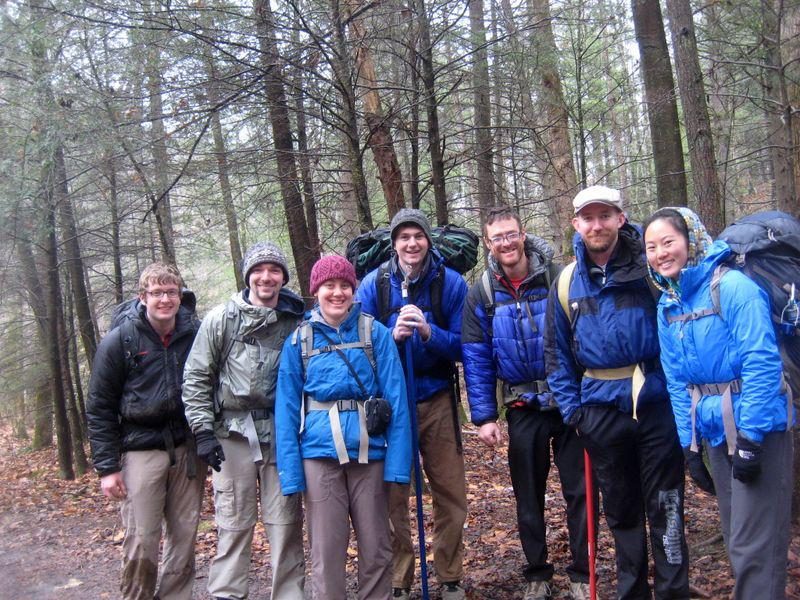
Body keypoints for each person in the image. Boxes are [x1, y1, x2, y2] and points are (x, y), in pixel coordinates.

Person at [544, 185, 690, 600]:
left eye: (604, 215)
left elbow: (678, 330)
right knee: (622, 512)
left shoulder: (651, 268)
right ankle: (632, 593)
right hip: (600, 414)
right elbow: (555, 354)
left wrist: (676, 395)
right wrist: (576, 415)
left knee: (667, 506)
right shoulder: (568, 281)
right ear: (576, 224)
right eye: (588, 218)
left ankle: (672, 592)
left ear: (620, 219)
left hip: (656, 406)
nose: (597, 225)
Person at [644, 207, 794, 600]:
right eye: (652, 246)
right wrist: (688, 444)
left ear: (690, 240)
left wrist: (753, 436)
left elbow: (762, 361)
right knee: (737, 540)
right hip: (714, 431)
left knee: (753, 547)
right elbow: (677, 380)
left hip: (757, 428)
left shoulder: (733, 287)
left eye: (668, 242)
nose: (660, 253)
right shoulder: (668, 304)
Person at [462, 206, 593, 600]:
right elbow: (476, 355)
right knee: (528, 495)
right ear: (488, 243)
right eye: (497, 237)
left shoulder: (559, 278)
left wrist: (590, 393)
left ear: (523, 235)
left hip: (569, 401)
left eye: (511, 234)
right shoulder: (482, 292)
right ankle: (537, 573)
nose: (506, 243)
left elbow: (584, 334)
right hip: (522, 406)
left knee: (581, 490)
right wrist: (484, 416)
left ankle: (582, 573)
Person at [275, 255, 412, 599]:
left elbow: (397, 401)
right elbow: (287, 411)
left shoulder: (375, 334)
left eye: (344, 286)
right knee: (325, 552)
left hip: (371, 455)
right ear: (315, 291)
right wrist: (291, 474)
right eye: (328, 286)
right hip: (319, 458)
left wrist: (398, 467)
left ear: (353, 289)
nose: (337, 293)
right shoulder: (299, 341)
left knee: (377, 546)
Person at [355, 208, 469, 600]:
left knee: (450, 492)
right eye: (403, 237)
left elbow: (465, 345)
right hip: (391, 405)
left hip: (437, 398)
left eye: (417, 236)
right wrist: (391, 336)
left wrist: (427, 332)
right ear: (394, 244)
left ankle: (450, 575)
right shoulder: (375, 285)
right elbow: (359, 346)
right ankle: (399, 579)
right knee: (393, 495)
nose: (411, 243)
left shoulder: (450, 284)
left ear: (427, 239)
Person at [182, 241, 305, 600]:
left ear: (283, 277)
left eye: (274, 270)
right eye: (258, 270)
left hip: (282, 432)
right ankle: (227, 593)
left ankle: (289, 593)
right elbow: (197, 376)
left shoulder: (294, 320)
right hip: (231, 434)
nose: (266, 277)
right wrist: (202, 431)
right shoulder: (222, 318)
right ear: (248, 275)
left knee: (284, 522)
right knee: (233, 521)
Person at [87, 262, 203, 600]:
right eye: (157, 293)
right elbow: (100, 406)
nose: (164, 299)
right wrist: (107, 468)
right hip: (140, 449)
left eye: (171, 292)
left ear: (180, 296)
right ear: (143, 297)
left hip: (186, 449)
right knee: (142, 537)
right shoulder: (120, 341)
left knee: (184, 537)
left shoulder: (193, 334)